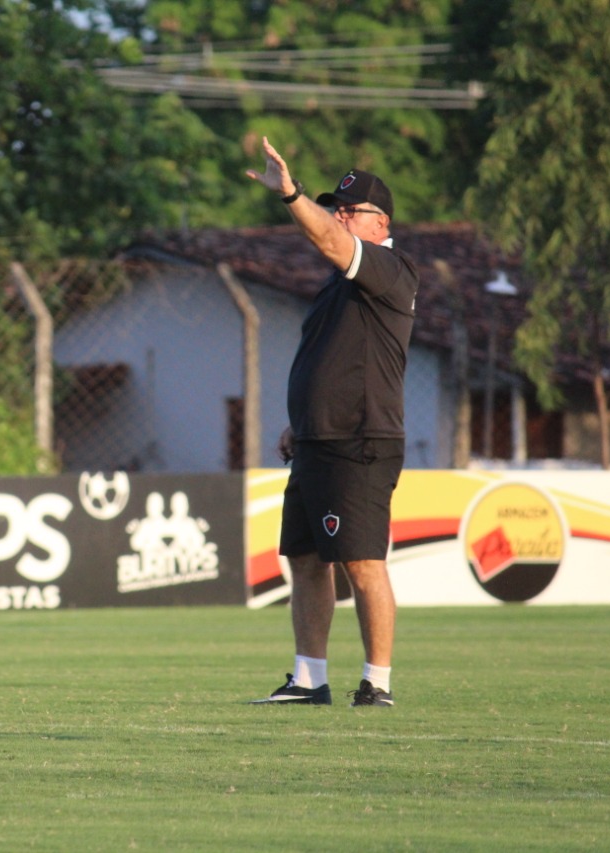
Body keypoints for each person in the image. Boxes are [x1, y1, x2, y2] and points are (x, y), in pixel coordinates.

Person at [244, 137, 419, 708]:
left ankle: (378, 683)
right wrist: (301, 421)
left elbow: (326, 238)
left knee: (363, 562)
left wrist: (291, 194)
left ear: (380, 222)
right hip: (319, 440)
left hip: (360, 440)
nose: (339, 217)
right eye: (336, 208)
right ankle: (309, 678)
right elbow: (331, 359)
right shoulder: (338, 287)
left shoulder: (390, 269)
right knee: (304, 558)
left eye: (350, 211)